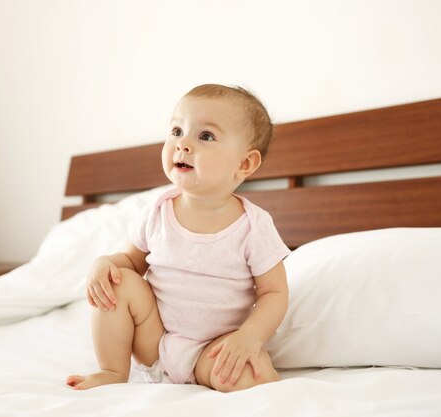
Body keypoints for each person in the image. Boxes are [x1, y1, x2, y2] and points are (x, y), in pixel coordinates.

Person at [66, 84, 290, 393]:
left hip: (212, 348)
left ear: (245, 164)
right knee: (116, 281)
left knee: (253, 377)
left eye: (205, 136)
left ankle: (247, 371)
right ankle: (112, 370)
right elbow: (130, 262)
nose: (182, 144)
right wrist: (104, 263)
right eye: (176, 130)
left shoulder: (253, 226)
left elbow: (274, 293)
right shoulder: (157, 211)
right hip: (154, 341)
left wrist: (249, 337)